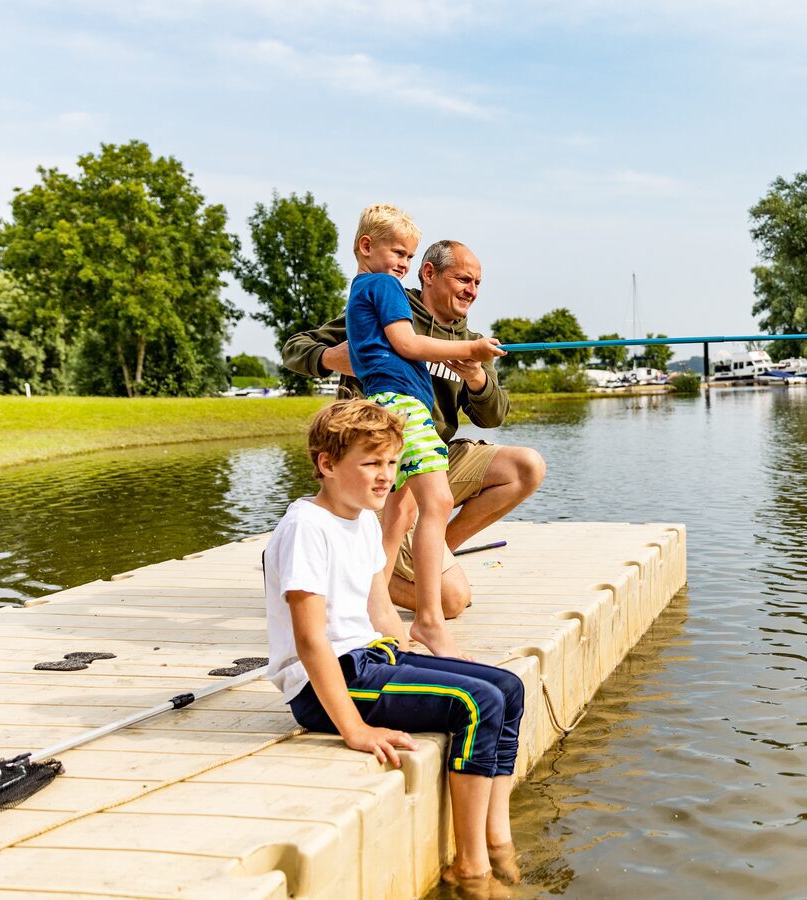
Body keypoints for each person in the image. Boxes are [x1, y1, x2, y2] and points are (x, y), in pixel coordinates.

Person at [265, 399, 523, 893]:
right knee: (477, 702)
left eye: (391, 463)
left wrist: (428, 659)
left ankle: (497, 837)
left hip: (370, 660)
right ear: (326, 464)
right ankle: (470, 866)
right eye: (371, 464)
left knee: (507, 687)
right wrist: (355, 729)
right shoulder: (305, 527)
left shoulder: (363, 518)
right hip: (326, 686)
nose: (386, 477)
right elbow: (310, 638)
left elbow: (379, 609)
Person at [283, 239, 545, 620]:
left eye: (477, 283)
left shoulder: (472, 343)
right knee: (452, 601)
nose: (471, 290)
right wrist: (333, 357)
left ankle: (435, 550)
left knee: (527, 466)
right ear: (429, 274)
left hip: (432, 458)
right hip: (379, 468)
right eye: (463, 279)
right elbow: (295, 348)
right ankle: (360, 577)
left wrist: (476, 379)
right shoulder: (385, 305)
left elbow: (494, 417)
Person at [344, 204, 504, 658]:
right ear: (366, 246)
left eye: (409, 257)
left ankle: (376, 613)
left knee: (398, 516)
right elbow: (408, 343)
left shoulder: (362, 287)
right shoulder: (386, 287)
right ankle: (430, 623)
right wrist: (470, 346)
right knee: (436, 503)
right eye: (398, 252)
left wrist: (469, 367)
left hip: (384, 402)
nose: (404, 265)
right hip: (403, 403)